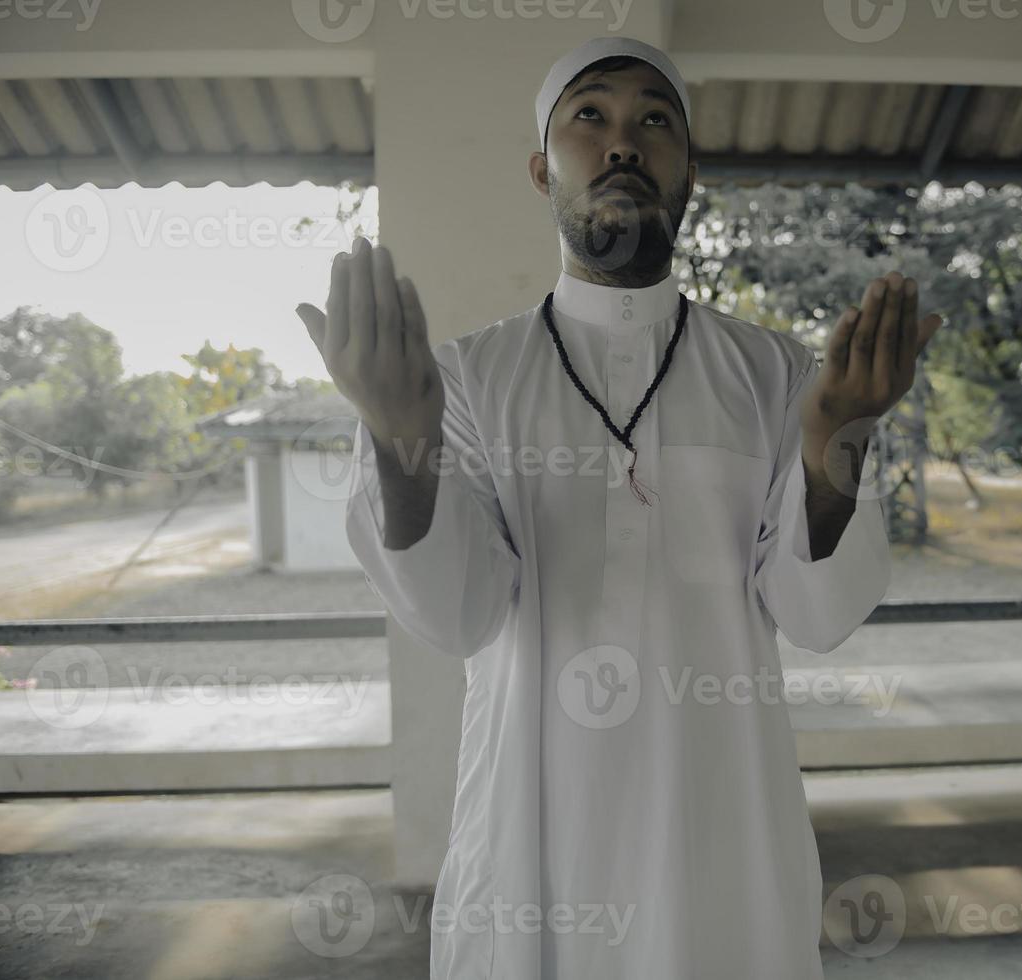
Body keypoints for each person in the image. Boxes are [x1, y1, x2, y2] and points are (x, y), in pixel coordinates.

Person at [296, 34, 943, 980]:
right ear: (540, 167)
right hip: (534, 833)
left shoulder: (778, 377)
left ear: (690, 170)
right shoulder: (464, 380)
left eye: (654, 122)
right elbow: (456, 614)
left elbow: (815, 613)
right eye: (589, 117)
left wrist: (836, 439)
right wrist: (402, 436)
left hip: (722, 824)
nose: (623, 143)